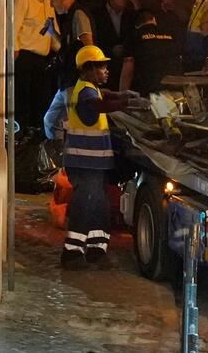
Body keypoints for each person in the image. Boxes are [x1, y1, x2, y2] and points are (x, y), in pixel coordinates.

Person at [61, 45, 144, 269]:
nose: (106, 70)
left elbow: (106, 95)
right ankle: (73, 251)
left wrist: (124, 95)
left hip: (92, 163)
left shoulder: (89, 87)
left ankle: (97, 246)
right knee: (86, 204)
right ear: (88, 69)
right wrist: (127, 103)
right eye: (101, 67)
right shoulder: (86, 92)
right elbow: (100, 104)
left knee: (98, 203)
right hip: (84, 162)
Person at [14, 0, 61, 130]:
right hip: (24, 55)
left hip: (42, 57)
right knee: (23, 97)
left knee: (41, 97)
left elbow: (51, 27)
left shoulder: (49, 1)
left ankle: (38, 131)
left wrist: (62, 49)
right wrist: (13, 50)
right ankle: (21, 132)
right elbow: (13, 26)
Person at [121, 10, 182, 95]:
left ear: (136, 25)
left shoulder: (134, 37)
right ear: (153, 19)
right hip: (175, 91)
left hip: (149, 93)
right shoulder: (170, 35)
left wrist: (122, 95)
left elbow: (128, 71)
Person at [91, 0, 137, 89]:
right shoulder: (97, 15)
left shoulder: (131, 15)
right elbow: (94, 40)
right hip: (106, 69)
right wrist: (110, 50)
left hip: (125, 70)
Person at [48, 0, 94, 90]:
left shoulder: (78, 14)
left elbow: (88, 45)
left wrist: (87, 76)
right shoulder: (70, 16)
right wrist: (52, 31)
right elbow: (67, 48)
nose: (51, 4)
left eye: (53, 0)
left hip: (76, 79)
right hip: (69, 78)